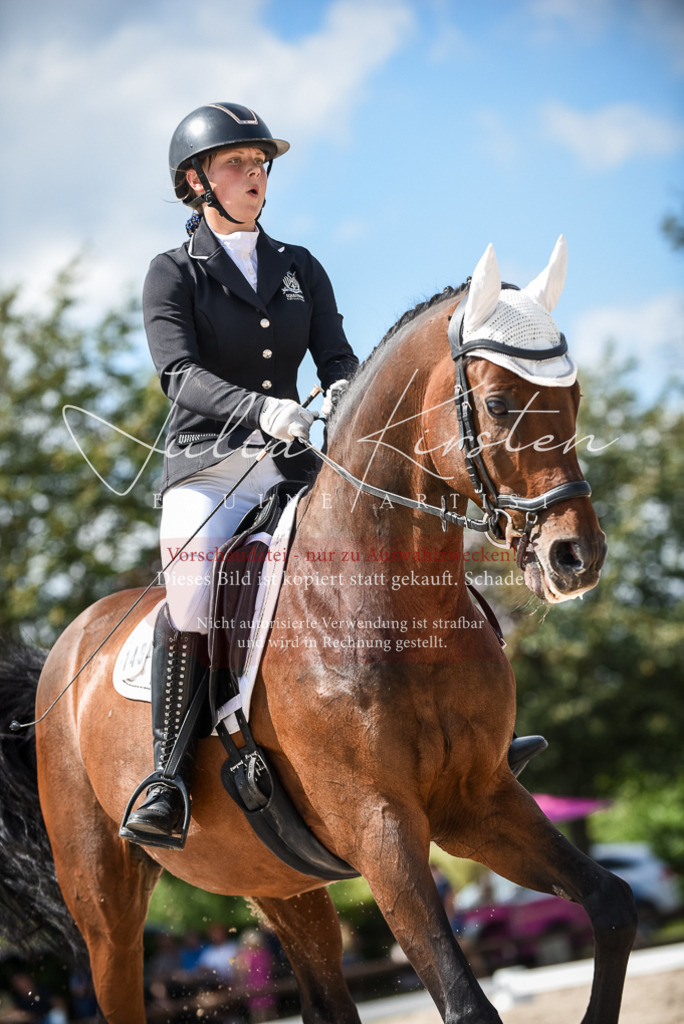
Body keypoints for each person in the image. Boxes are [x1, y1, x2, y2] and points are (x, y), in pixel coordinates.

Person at [123, 102, 358, 844]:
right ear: (197, 181)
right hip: (209, 472)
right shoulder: (172, 273)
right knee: (192, 595)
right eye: (237, 164)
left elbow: (337, 356)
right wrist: (260, 410)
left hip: (293, 465)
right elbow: (178, 374)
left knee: (381, 554)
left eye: (260, 164)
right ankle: (166, 776)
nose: (255, 175)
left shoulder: (299, 267)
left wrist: (348, 390)